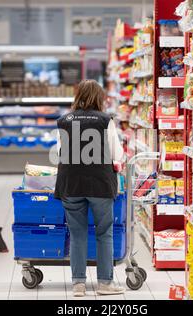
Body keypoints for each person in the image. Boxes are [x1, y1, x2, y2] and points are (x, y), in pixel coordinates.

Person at [54, 79, 125, 297]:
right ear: (100, 97)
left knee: (77, 235)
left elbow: (59, 152)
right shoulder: (106, 120)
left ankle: (78, 285)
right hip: (100, 184)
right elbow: (117, 154)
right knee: (104, 233)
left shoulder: (64, 120)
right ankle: (105, 283)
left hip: (71, 183)